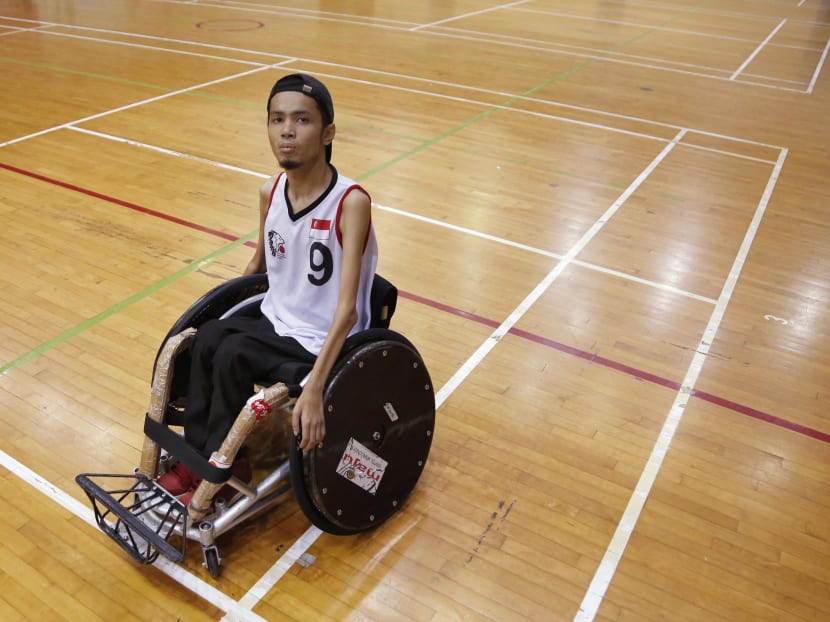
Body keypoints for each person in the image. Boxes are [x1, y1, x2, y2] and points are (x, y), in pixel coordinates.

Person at [159, 73, 378, 502]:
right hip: (277, 321)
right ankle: (197, 458)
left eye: (302, 120)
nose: (287, 131)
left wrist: (315, 387)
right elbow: (259, 265)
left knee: (233, 354)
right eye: (277, 120)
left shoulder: (351, 202)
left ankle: (224, 472)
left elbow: (349, 310)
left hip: (321, 338)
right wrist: (227, 310)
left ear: (328, 133)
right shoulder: (270, 191)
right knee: (208, 339)